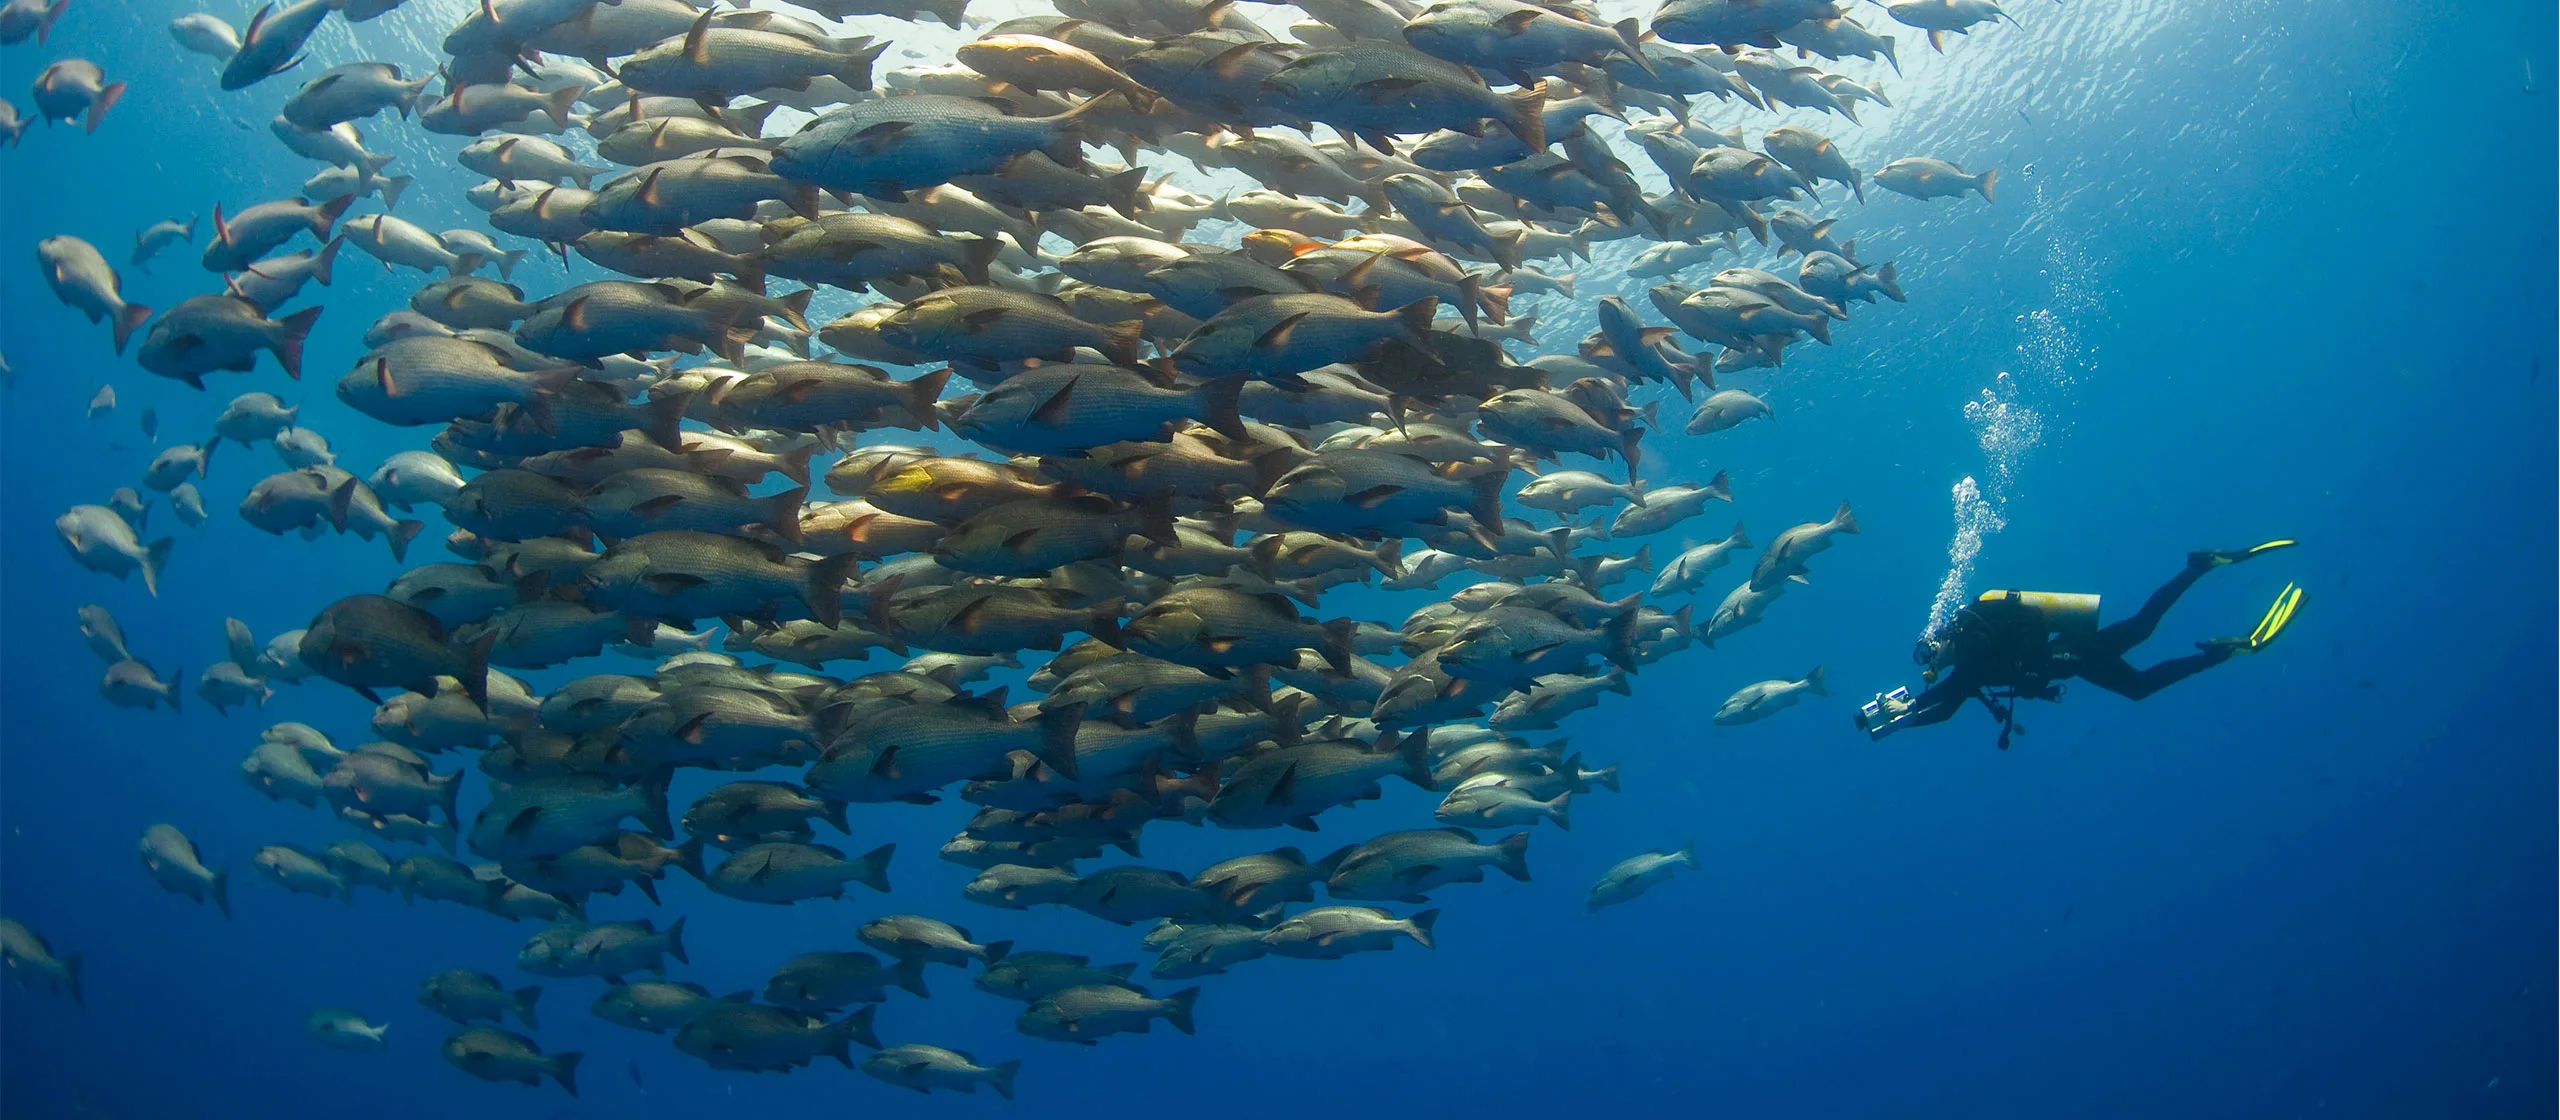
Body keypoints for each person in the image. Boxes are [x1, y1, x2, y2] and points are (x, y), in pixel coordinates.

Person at [1858, 541, 2304, 747]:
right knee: (2143, 627)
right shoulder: (1968, 662)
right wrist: (1908, 716)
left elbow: (2030, 619)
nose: (1936, 662)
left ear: (1940, 640)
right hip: (2072, 652)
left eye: (1932, 653)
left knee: (2140, 684)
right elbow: (1948, 705)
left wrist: (2034, 666)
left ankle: (2228, 648)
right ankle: (2199, 567)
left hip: (2072, 655)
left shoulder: (1973, 638)